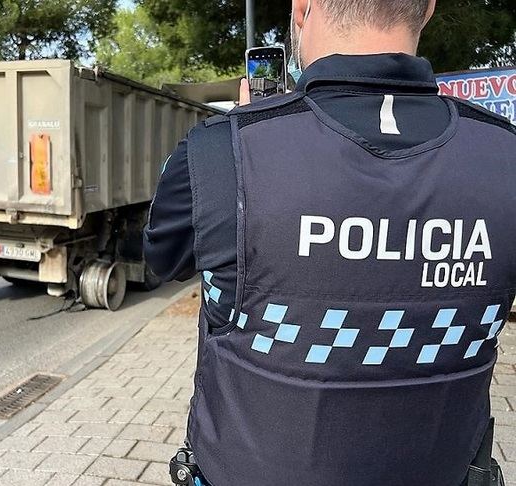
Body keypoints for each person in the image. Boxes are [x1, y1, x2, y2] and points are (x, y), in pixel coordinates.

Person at [143, 0, 514, 485]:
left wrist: (253, 140)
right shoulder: (504, 154)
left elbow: (162, 258)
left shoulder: (219, 150)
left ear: (301, 8)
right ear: (426, 10)